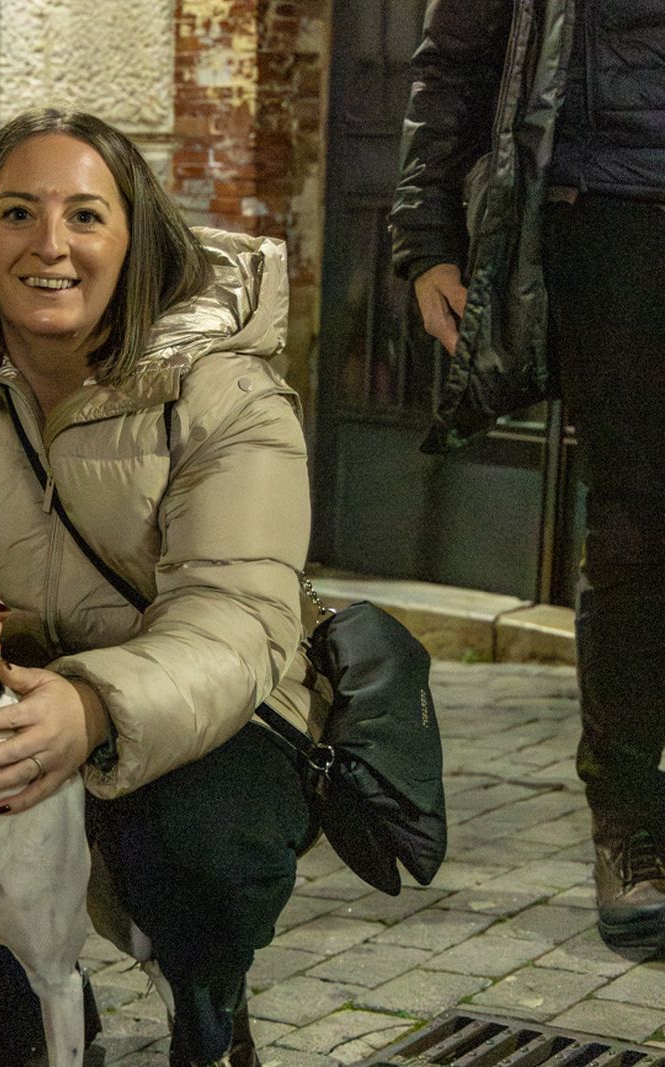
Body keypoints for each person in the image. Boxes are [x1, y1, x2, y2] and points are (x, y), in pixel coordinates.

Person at [0, 108, 318, 1066]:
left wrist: (92, 704)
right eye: (18, 212)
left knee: (205, 848)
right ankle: (6, 1014)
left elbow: (234, 618)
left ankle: (207, 996)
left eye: (86, 216)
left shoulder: (227, 394)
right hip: (2, 700)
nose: (50, 244)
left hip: (203, 703)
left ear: (134, 239)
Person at [390, 2, 665, 951]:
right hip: (613, 216)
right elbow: (455, 61)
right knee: (637, 531)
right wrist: (428, 238)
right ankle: (630, 829)